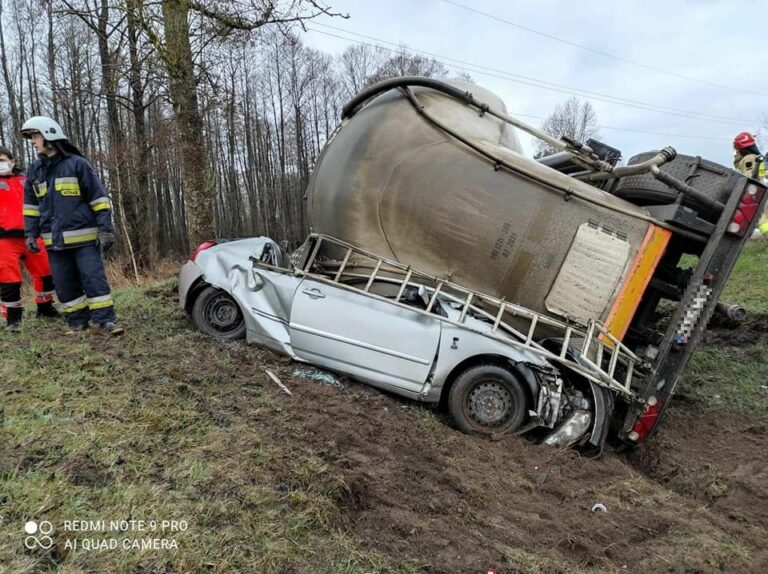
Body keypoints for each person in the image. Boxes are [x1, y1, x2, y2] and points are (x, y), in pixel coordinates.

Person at [21, 116, 124, 335]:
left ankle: (105, 321)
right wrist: (30, 234)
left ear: (49, 135)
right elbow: (30, 207)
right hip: (54, 243)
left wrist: (105, 229)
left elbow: (99, 199)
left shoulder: (77, 164)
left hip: (85, 241)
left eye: (35, 136)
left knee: (93, 279)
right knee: (64, 284)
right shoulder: (34, 171)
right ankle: (77, 322)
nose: (32, 141)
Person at [0, 145, 59, 331]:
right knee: (9, 280)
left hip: (34, 234)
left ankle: (45, 307)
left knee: (46, 273)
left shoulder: (27, 179)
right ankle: (13, 319)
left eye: (2, 161)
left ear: (12, 161)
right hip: (4, 239)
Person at [733, 132, 768, 237]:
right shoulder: (755, 157)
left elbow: (750, 177)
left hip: (756, 194)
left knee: (762, 220)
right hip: (761, 192)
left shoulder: (749, 158)